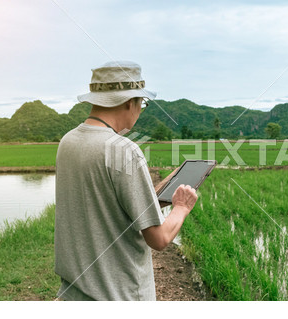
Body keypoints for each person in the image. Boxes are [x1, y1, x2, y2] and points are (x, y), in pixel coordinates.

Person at [54, 61, 198, 301]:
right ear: (129, 102)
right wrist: (181, 208)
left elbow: (113, 206)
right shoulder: (123, 150)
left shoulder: (67, 142)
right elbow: (159, 239)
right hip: (120, 296)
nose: (141, 109)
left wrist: (161, 191)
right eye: (142, 103)